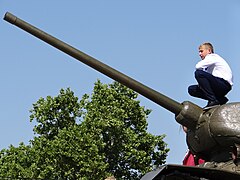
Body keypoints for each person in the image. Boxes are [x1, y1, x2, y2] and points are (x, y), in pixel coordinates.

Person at [188, 42, 233, 108]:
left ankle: (213, 100)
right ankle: (220, 99)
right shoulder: (208, 65)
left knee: (198, 73)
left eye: (201, 51)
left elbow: (198, 66)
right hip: (217, 85)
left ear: (209, 51)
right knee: (191, 89)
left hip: (223, 84)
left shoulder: (212, 57)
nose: (199, 54)